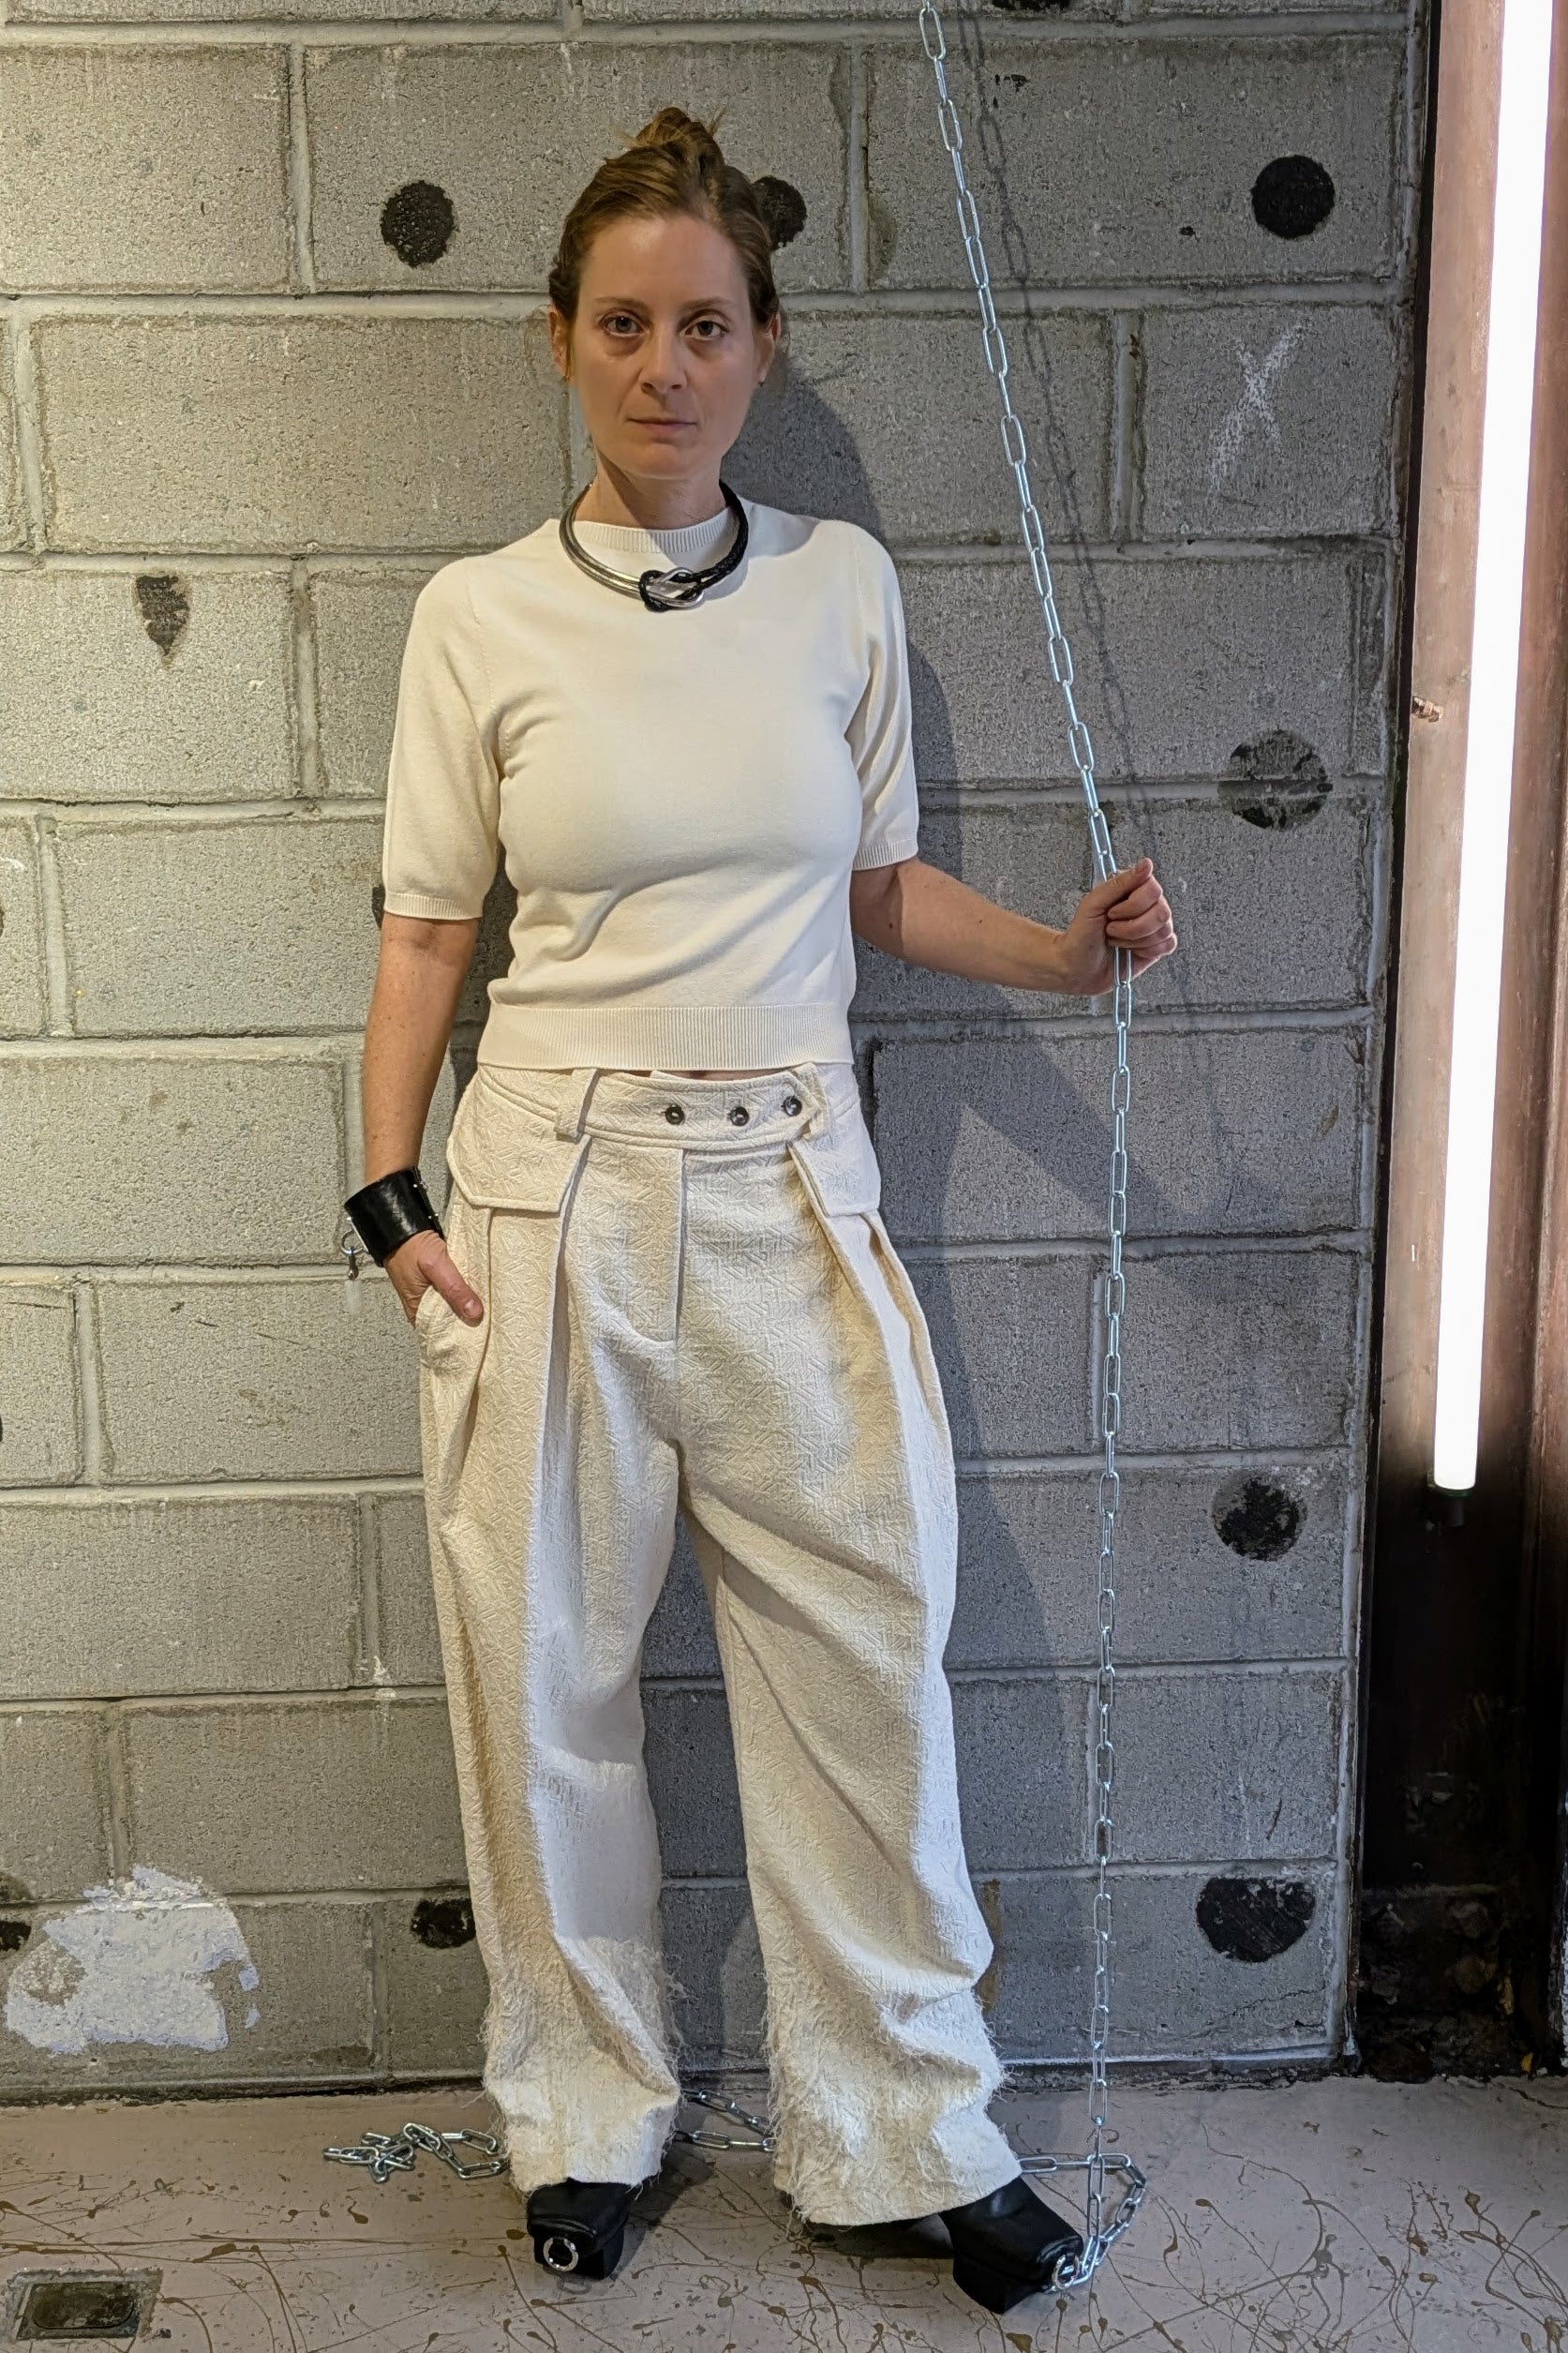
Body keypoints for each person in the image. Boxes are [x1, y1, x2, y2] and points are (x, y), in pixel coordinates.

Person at [345, 103, 1176, 2316]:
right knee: (545, 1683)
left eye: (705, 324)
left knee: (863, 1666)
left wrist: (1066, 956)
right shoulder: (477, 616)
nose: (666, 364)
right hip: (546, 1201)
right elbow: (427, 931)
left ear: (762, 345)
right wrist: (386, 1193)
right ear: (559, 341)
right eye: (624, 324)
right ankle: (588, 2116)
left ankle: (910, 2133)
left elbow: (880, 890)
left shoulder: (839, 585)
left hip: (796, 1181)